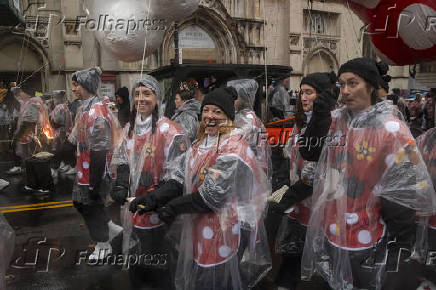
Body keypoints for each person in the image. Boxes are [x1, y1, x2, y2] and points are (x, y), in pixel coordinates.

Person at [299, 57, 436, 290]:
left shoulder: (391, 128)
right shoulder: (335, 121)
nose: (346, 91)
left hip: (372, 237)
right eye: (342, 85)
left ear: (371, 86)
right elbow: (310, 152)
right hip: (333, 231)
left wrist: (397, 247)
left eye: (353, 83)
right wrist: (320, 116)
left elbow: (405, 190)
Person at [130, 87, 271, 290]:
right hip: (203, 225)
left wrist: (171, 208)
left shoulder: (234, 147)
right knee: (202, 279)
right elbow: (180, 176)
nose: (210, 116)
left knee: (216, 281)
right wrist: (154, 198)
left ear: (228, 117)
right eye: (206, 111)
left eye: (217, 112)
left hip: (227, 227)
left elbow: (211, 196)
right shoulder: (201, 143)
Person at [110, 75, 189, 289]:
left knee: (160, 268)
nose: (140, 99)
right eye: (137, 94)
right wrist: (120, 185)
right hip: (134, 213)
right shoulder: (130, 129)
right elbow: (123, 161)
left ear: (157, 97)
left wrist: (153, 198)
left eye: (147, 93)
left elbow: (178, 177)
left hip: (160, 215)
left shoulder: (171, 131)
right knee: (137, 263)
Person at [264, 72, 336, 289]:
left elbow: (315, 173)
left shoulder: (330, 125)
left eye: (309, 92)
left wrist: (286, 198)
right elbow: (290, 157)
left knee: (314, 261)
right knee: (292, 253)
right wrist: (281, 186)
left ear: (322, 95)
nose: (303, 97)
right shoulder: (301, 123)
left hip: (316, 205)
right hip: (296, 202)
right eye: (302, 92)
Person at [63, 67, 122, 261]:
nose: (73, 89)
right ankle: (110, 227)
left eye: (76, 84)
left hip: (95, 172)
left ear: (86, 85)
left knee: (91, 206)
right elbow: (74, 139)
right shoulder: (84, 108)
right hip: (83, 170)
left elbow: (100, 150)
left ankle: (103, 244)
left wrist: (94, 183)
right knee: (80, 202)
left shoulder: (96, 112)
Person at [7, 85, 52, 177]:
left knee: (35, 156)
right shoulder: (28, 102)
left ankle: (40, 179)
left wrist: (18, 136)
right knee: (32, 156)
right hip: (31, 135)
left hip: (33, 135)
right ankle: (36, 175)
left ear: (23, 92)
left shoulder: (32, 102)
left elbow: (30, 121)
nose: (17, 95)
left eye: (18, 93)